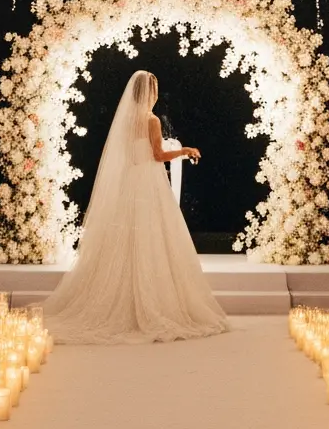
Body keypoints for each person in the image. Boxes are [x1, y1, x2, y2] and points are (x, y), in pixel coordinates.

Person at [43, 68, 229, 344]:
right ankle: (150, 300)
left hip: (129, 181)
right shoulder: (150, 119)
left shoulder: (127, 121)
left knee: (127, 235)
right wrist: (185, 151)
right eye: (154, 90)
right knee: (152, 236)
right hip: (148, 183)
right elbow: (157, 155)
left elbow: (130, 153)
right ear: (150, 93)